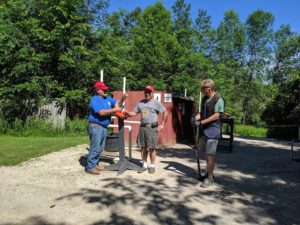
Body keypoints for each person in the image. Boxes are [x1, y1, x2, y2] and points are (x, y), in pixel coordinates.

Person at [126, 85, 168, 174]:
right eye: (146, 92)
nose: (147, 94)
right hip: (142, 127)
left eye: (149, 92)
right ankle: (144, 165)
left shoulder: (156, 103)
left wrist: (163, 124)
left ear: (152, 93)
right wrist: (127, 113)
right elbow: (134, 112)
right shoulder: (141, 103)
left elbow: (165, 112)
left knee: (152, 148)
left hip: (152, 128)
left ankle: (152, 166)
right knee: (142, 147)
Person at [86, 81, 125, 175]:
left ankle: (94, 164)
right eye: (103, 89)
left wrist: (122, 100)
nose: (105, 90)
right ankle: (90, 167)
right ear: (97, 90)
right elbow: (101, 112)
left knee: (100, 148)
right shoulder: (95, 100)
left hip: (103, 127)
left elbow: (117, 103)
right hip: (95, 126)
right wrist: (115, 110)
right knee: (95, 147)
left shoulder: (107, 98)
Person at [194, 79, 224, 187]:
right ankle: (209, 174)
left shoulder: (218, 99)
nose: (202, 91)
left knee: (210, 154)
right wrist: (196, 118)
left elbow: (216, 115)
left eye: (204, 89)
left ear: (210, 88)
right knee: (206, 154)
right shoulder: (205, 99)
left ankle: (210, 178)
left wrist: (202, 122)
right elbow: (202, 113)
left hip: (213, 130)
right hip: (205, 130)